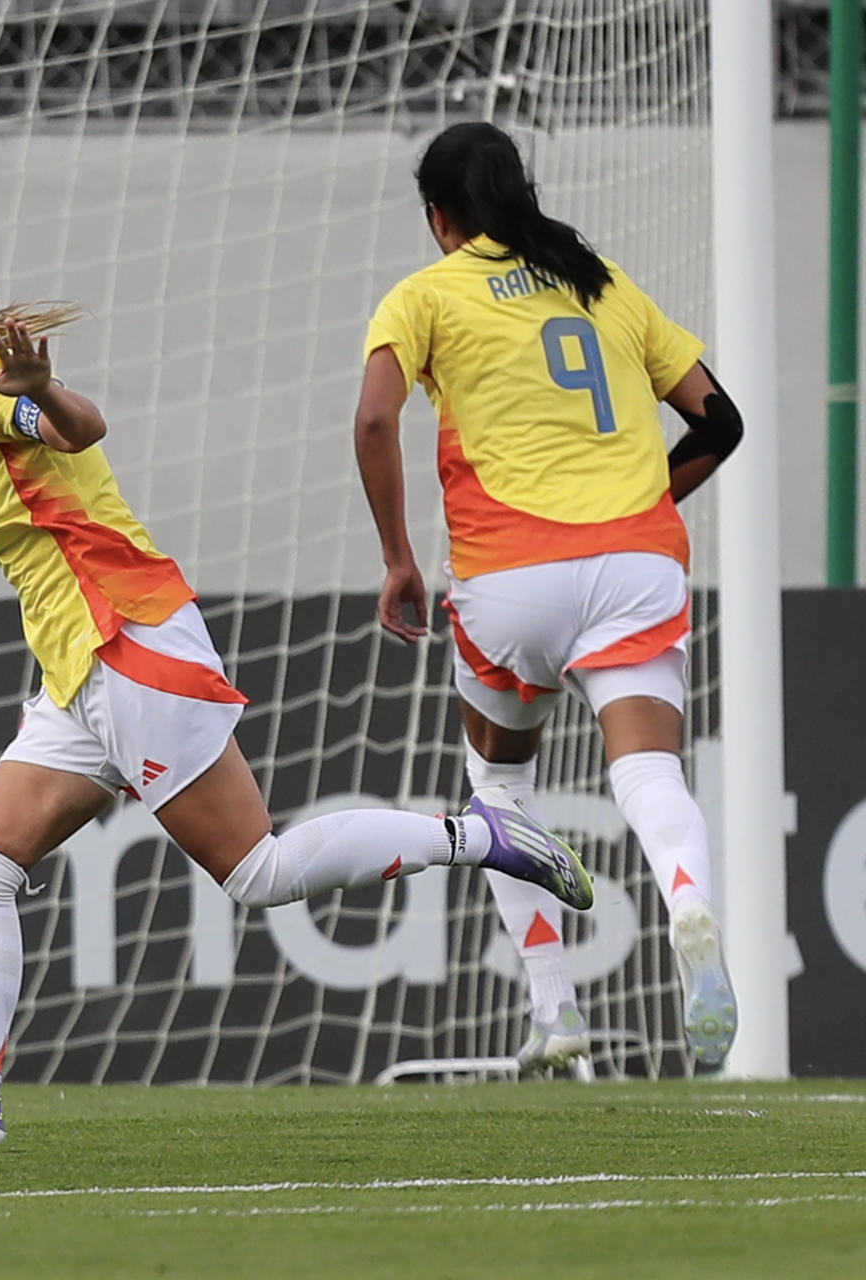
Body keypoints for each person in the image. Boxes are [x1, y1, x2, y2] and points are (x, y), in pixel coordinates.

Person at [0, 249, 593, 1146]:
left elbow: (74, 429)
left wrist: (45, 391)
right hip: (79, 669)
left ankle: (478, 835)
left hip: (128, 644)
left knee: (257, 874)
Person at [352, 122, 744, 1075]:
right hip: (636, 564)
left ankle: (555, 1011)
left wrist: (399, 559)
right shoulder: (600, 278)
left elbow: (373, 417)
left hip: (511, 575)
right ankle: (689, 904)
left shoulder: (426, 295)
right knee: (651, 775)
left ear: (439, 218)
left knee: (499, 788)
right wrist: (640, 505)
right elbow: (718, 420)